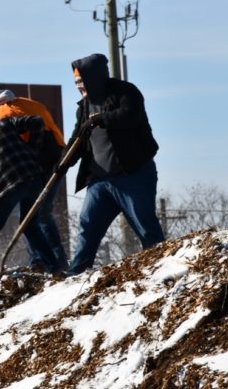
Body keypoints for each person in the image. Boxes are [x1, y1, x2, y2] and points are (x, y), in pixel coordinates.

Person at [63, 53, 165, 275]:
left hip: (133, 175)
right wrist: (63, 162)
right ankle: (75, 276)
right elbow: (77, 140)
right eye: (76, 82)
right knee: (87, 229)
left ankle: (160, 270)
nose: (79, 86)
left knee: (145, 227)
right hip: (100, 181)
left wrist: (101, 119)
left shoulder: (125, 92)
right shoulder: (84, 107)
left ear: (94, 77)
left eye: (81, 81)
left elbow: (129, 116)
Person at [0, 115, 63, 276]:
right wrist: (32, 151)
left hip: (8, 184)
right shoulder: (2, 124)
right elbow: (37, 121)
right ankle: (55, 269)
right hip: (34, 176)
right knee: (30, 225)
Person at [0, 88, 69, 270]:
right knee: (41, 215)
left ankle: (43, 262)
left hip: (33, 166)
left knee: (32, 218)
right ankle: (55, 262)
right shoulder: (31, 104)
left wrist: (32, 152)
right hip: (58, 156)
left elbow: (1, 156)